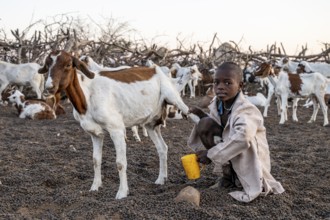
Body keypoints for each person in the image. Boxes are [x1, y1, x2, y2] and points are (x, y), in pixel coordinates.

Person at [187, 62, 285, 203]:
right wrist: (201, 114)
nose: (220, 87)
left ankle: (239, 178)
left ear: (240, 86)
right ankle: (227, 177)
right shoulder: (219, 105)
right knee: (205, 124)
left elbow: (242, 138)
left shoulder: (247, 110)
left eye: (227, 83)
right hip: (231, 152)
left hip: (249, 158)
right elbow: (220, 128)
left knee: (240, 145)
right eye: (217, 82)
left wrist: (210, 154)